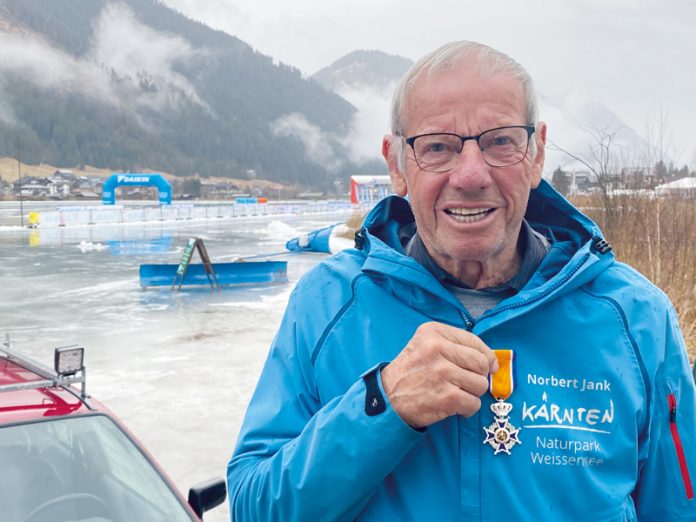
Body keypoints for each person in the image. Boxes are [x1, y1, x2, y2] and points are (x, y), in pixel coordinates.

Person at [227, 41, 696, 520]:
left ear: (536, 155)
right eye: (437, 147)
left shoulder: (636, 319)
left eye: (500, 141)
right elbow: (253, 508)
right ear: (396, 165)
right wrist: (382, 404)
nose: (471, 176)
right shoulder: (327, 304)